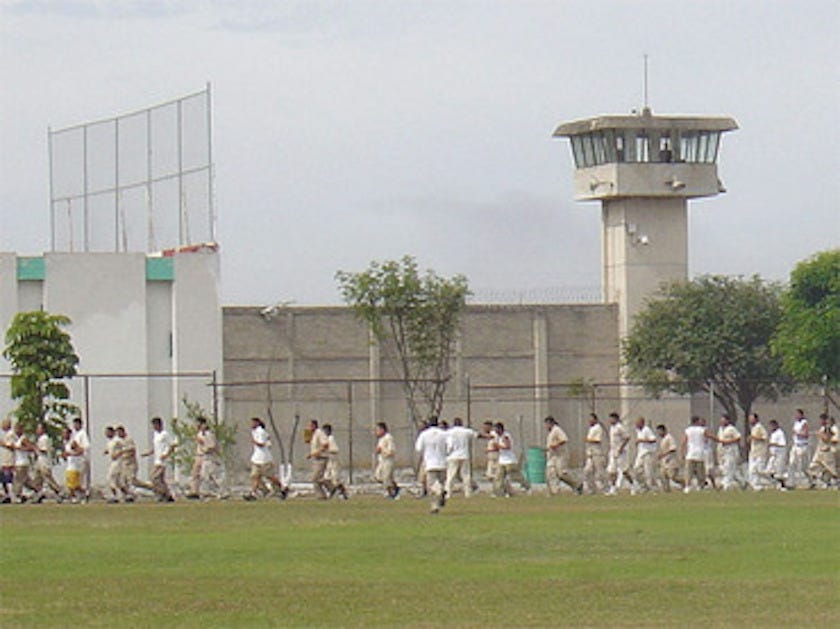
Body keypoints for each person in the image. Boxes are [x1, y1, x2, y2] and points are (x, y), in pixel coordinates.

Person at [244, 417, 285, 500]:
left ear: (257, 423)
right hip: (256, 459)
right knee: (254, 476)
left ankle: (281, 488)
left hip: (265, 459)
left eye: (253, 423)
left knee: (269, 476)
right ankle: (254, 493)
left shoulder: (261, 432)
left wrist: (254, 441)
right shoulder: (254, 432)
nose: (251, 424)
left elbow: (262, 444)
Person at [414, 417, 448, 513]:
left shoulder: (424, 434)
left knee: (432, 486)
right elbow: (449, 447)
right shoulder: (444, 434)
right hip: (442, 463)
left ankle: (435, 505)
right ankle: (437, 501)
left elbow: (418, 448)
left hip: (430, 463)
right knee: (440, 483)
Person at [544, 416, 582, 495]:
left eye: (547, 424)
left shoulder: (557, 429)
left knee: (561, 473)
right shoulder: (551, 432)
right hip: (553, 456)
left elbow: (564, 439)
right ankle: (554, 492)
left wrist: (556, 445)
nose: (546, 426)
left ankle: (577, 484)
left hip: (561, 455)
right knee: (550, 473)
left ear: (550, 423)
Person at [141, 417, 175, 502]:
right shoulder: (156, 434)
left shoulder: (165, 434)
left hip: (162, 461)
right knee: (160, 480)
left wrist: (166, 454)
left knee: (154, 478)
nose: (154, 427)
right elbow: (156, 447)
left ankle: (163, 493)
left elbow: (172, 445)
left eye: (155, 425)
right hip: (156, 460)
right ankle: (167, 496)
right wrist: (149, 453)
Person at [493, 421, 530, 497]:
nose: (496, 431)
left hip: (509, 461)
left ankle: (526, 486)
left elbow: (508, 446)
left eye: (497, 429)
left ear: (500, 429)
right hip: (502, 460)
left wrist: (498, 446)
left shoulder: (505, 436)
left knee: (515, 476)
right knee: (498, 477)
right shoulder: (498, 437)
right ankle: (499, 492)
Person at [445, 417, 477, 498]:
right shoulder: (466, 431)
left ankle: (448, 493)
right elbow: (477, 435)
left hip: (452, 456)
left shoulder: (449, 432)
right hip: (464, 455)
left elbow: (448, 444)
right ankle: (468, 493)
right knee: (466, 475)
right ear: (461, 423)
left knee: (450, 476)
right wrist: (489, 436)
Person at [32, 423, 63, 500]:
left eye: (39, 428)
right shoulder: (39, 438)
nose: (37, 430)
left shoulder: (45, 438)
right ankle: (38, 495)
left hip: (44, 461)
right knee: (37, 479)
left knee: (48, 479)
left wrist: (35, 448)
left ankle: (59, 492)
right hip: (39, 461)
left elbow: (44, 450)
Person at [11, 423, 41, 503]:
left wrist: (20, 448)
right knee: (27, 481)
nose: (15, 430)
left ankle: (17, 495)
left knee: (18, 480)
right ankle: (38, 490)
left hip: (22, 462)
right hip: (18, 462)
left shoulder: (23, 439)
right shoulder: (17, 439)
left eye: (17, 429)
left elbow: (31, 448)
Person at [714, 414, 745, 490]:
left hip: (731, 451)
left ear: (727, 421)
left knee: (728, 468)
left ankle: (725, 485)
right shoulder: (721, 429)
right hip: (722, 452)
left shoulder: (731, 429)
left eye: (723, 420)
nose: (722, 422)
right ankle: (743, 482)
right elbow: (720, 440)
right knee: (730, 470)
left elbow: (738, 438)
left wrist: (728, 442)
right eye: (721, 420)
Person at [808, 413, 838, 488]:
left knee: (830, 469)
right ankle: (813, 482)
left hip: (827, 451)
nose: (821, 421)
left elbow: (829, 439)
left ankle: (835, 482)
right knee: (813, 466)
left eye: (823, 419)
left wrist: (820, 435)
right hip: (820, 451)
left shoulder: (832, 429)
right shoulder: (823, 428)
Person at [681, 416, 710, 493]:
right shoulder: (702, 430)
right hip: (700, 453)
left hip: (690, 453)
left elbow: (684, 441)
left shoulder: (688, 430)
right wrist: (720, 440)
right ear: (697, 421)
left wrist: (682, 452)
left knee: (688, 471)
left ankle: (687, 486)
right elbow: (709, 436)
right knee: (700, 471)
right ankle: (700, 486)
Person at [606, 412, 631, 495]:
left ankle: (632, 484)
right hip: (613, 451)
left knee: (624, 471)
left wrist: (621, 448)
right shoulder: (611, 428)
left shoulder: (620, 427)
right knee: (611, 471)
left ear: (616, 419)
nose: (610, 420)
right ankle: (613, 488)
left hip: (621, 452)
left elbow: (627, 438)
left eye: (611, 418)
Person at [306, 419, 331, 499]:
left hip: (321, 458)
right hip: (316, 459)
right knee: (318, 478)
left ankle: (324, 494)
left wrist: (316, 452)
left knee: (315, 478)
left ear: (314, 426)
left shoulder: (319, 433)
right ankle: (331, 489)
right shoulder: (314, 435)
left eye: (310, 426)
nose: (308, 428)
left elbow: (325, 444)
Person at [373, 422, 399, 499]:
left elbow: (392, 451)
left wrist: (382, 450)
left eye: (377, 430)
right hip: (381, 460)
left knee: (386, 478)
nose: (376, 432)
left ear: (383, 430)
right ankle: (395, 487)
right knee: (378, 476)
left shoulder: (389, 438)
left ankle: (390, 494)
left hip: (388, 460)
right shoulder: (381, 439)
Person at [631, 417, 657, 494]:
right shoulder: (638, 431)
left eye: (637, 423)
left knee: (648, 472)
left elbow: (653, 440)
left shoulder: (647, 430)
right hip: (640, 453)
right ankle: (644, 486)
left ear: (642, 423)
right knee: (636, 471)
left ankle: (652, 489)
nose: (635, 425)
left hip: (647, 453)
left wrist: (642, 440)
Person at [583, 413, 607, 494]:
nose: (589, 421)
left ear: (595, 420)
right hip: (590, 453)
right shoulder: (591, 428)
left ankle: (603, 489)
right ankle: (590, 489)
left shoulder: (598, 428)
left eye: (591, 419)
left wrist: (588, 440)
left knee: (599, 471)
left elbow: (598, 440)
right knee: (587, 471)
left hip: (597, 453)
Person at [103, 425, 127, 503]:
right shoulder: (110, 442)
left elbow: (124, 448)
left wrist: (118, 454)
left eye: (107, 432)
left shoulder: (117, 440)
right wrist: (106, 451)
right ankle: (128, 495)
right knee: (119, 482)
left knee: (110, 478)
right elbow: (110, 449)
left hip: (118, 462)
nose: (106, 434)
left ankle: (114, 496)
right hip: (113, 461)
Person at [323, 424, 348, 499]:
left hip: (334, 461)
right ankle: (332, 491)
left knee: (335, 479)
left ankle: (343, 493)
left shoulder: (331, 439)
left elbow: (335, 450)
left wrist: (326, 450)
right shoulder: (326, 439)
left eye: (325, 431)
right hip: (329, 462)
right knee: (326, 478)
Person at [61, 427, 85, 503]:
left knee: (72, 484)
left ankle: (76, 496)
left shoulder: (73, 442)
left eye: (65, 433)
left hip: (75, 465)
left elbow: (80, 451)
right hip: (69, 464)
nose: (63, 435)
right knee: (71, 483)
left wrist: (71, 454)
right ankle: (81, 494)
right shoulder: (65, 443)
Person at [655, 424, 681, 492]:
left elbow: (673, 449)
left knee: (673, 477)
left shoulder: (669, 438)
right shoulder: (662, 440)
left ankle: (685, 483)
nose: (659, 434)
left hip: (671, 461)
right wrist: (660, 455)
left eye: (660, 431)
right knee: (663, 476)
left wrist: (664, 454)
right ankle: (666, 491)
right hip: (664, 462)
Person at [788, 409, 810, 488]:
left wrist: (798, 433)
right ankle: (791, 482)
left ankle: (807, 482)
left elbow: (806, 434)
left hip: (802, 446)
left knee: (802, 466)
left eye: (798, 414)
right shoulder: (796, 423)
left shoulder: (804, 423)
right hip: (795, 445)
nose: (796, 416)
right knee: (791, 463)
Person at [70, 417, 91, 501]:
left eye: (76, 424)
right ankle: (79, 496)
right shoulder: (76, 435)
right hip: (77, 460)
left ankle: (85, 495)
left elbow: (86, 447)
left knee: (82, 479)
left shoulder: (83, 434)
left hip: (83, 459)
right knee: (77, 479)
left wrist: (77, 448)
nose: (74, 426)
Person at [747, 413, 769, 490]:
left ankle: (775, 480)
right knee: (752, 470)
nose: (750, 420)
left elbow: (765, 437)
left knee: (760, 470)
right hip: (753, 452)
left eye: (752, 419)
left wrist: (755, 437)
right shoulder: (753, 428)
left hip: (760, 452)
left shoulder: (760, 427)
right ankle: (755, 486)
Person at [764, 419, 788, 490]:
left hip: (780, 455)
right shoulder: (773, 434)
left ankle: (783, 486)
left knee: (779, 471)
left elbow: (782, 444)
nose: (771, 427)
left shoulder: (780, 433)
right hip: (773, 455)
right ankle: (776, 484)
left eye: (772, 426)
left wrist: (772, 444)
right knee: (769, 471)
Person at [478, 421, 500, 486]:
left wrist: (489, 450)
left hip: (494, 454)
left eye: (485, 427)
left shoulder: (494, 433)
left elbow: (496, 444)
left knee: (493, 473)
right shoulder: (492, 433)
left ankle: (501, 487)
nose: (484, 429)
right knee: (491, 474)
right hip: (491, 455)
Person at [1, 417, 16, 503]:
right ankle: (6, 495)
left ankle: (11, 495)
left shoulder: (11, 434)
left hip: (9, 458)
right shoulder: (6, 434)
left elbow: (11, 446)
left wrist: (2, 444)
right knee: (3, 477)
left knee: (8, 477)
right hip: (4, 458)